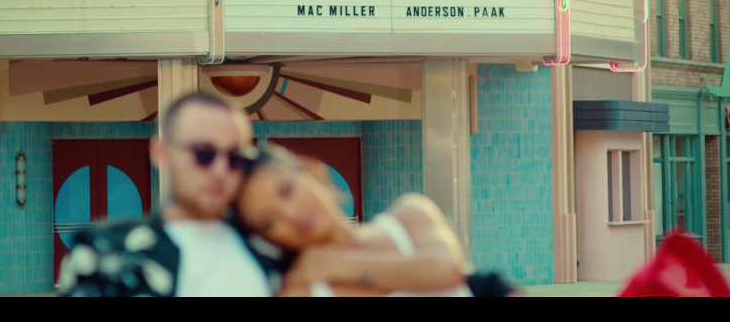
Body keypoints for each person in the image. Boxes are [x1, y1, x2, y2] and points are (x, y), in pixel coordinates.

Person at [58, 92, 290, 297]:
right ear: (161, 153)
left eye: (234, 157)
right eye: (204, 154)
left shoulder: (271, 249)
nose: (220, 171)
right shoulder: (107, 254)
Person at [233, 145, 517, 297]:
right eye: (269, 221)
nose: (291, 215)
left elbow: (446, 270)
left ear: (310, 172)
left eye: (287, 190)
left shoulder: (409, 214)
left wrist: (338, 264)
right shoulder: (299, 289)